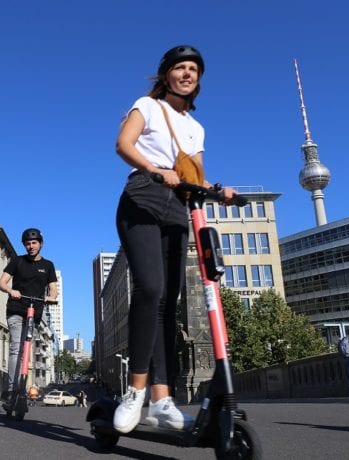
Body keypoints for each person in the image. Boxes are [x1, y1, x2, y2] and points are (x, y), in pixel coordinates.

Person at [112, 45, 236, 434]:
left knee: (169, 303)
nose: (187, 74)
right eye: (180, 68)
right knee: (149, 289)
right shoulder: (146, 107)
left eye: (193, 69)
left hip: (178, 208)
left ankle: (161, 399)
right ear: (166, 74)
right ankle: (135, 392)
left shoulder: (197, 128)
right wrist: (155, 169)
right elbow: (123, 145)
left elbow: (195, 175)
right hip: (143, 198)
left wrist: (218, 189)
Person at [0, 228, 58, 409]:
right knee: (16, 348)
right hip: (16, 309)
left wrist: (51, 297)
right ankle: (11, 390)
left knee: (26, 351)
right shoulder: (17, 261)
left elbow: (53, 289)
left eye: (34, 243)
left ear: (41, 244)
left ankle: (21, 388)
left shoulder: (48, 266)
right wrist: (10, 290)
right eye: (28, 244)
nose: (31, 246)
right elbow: (1, 282)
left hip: (35, 312)